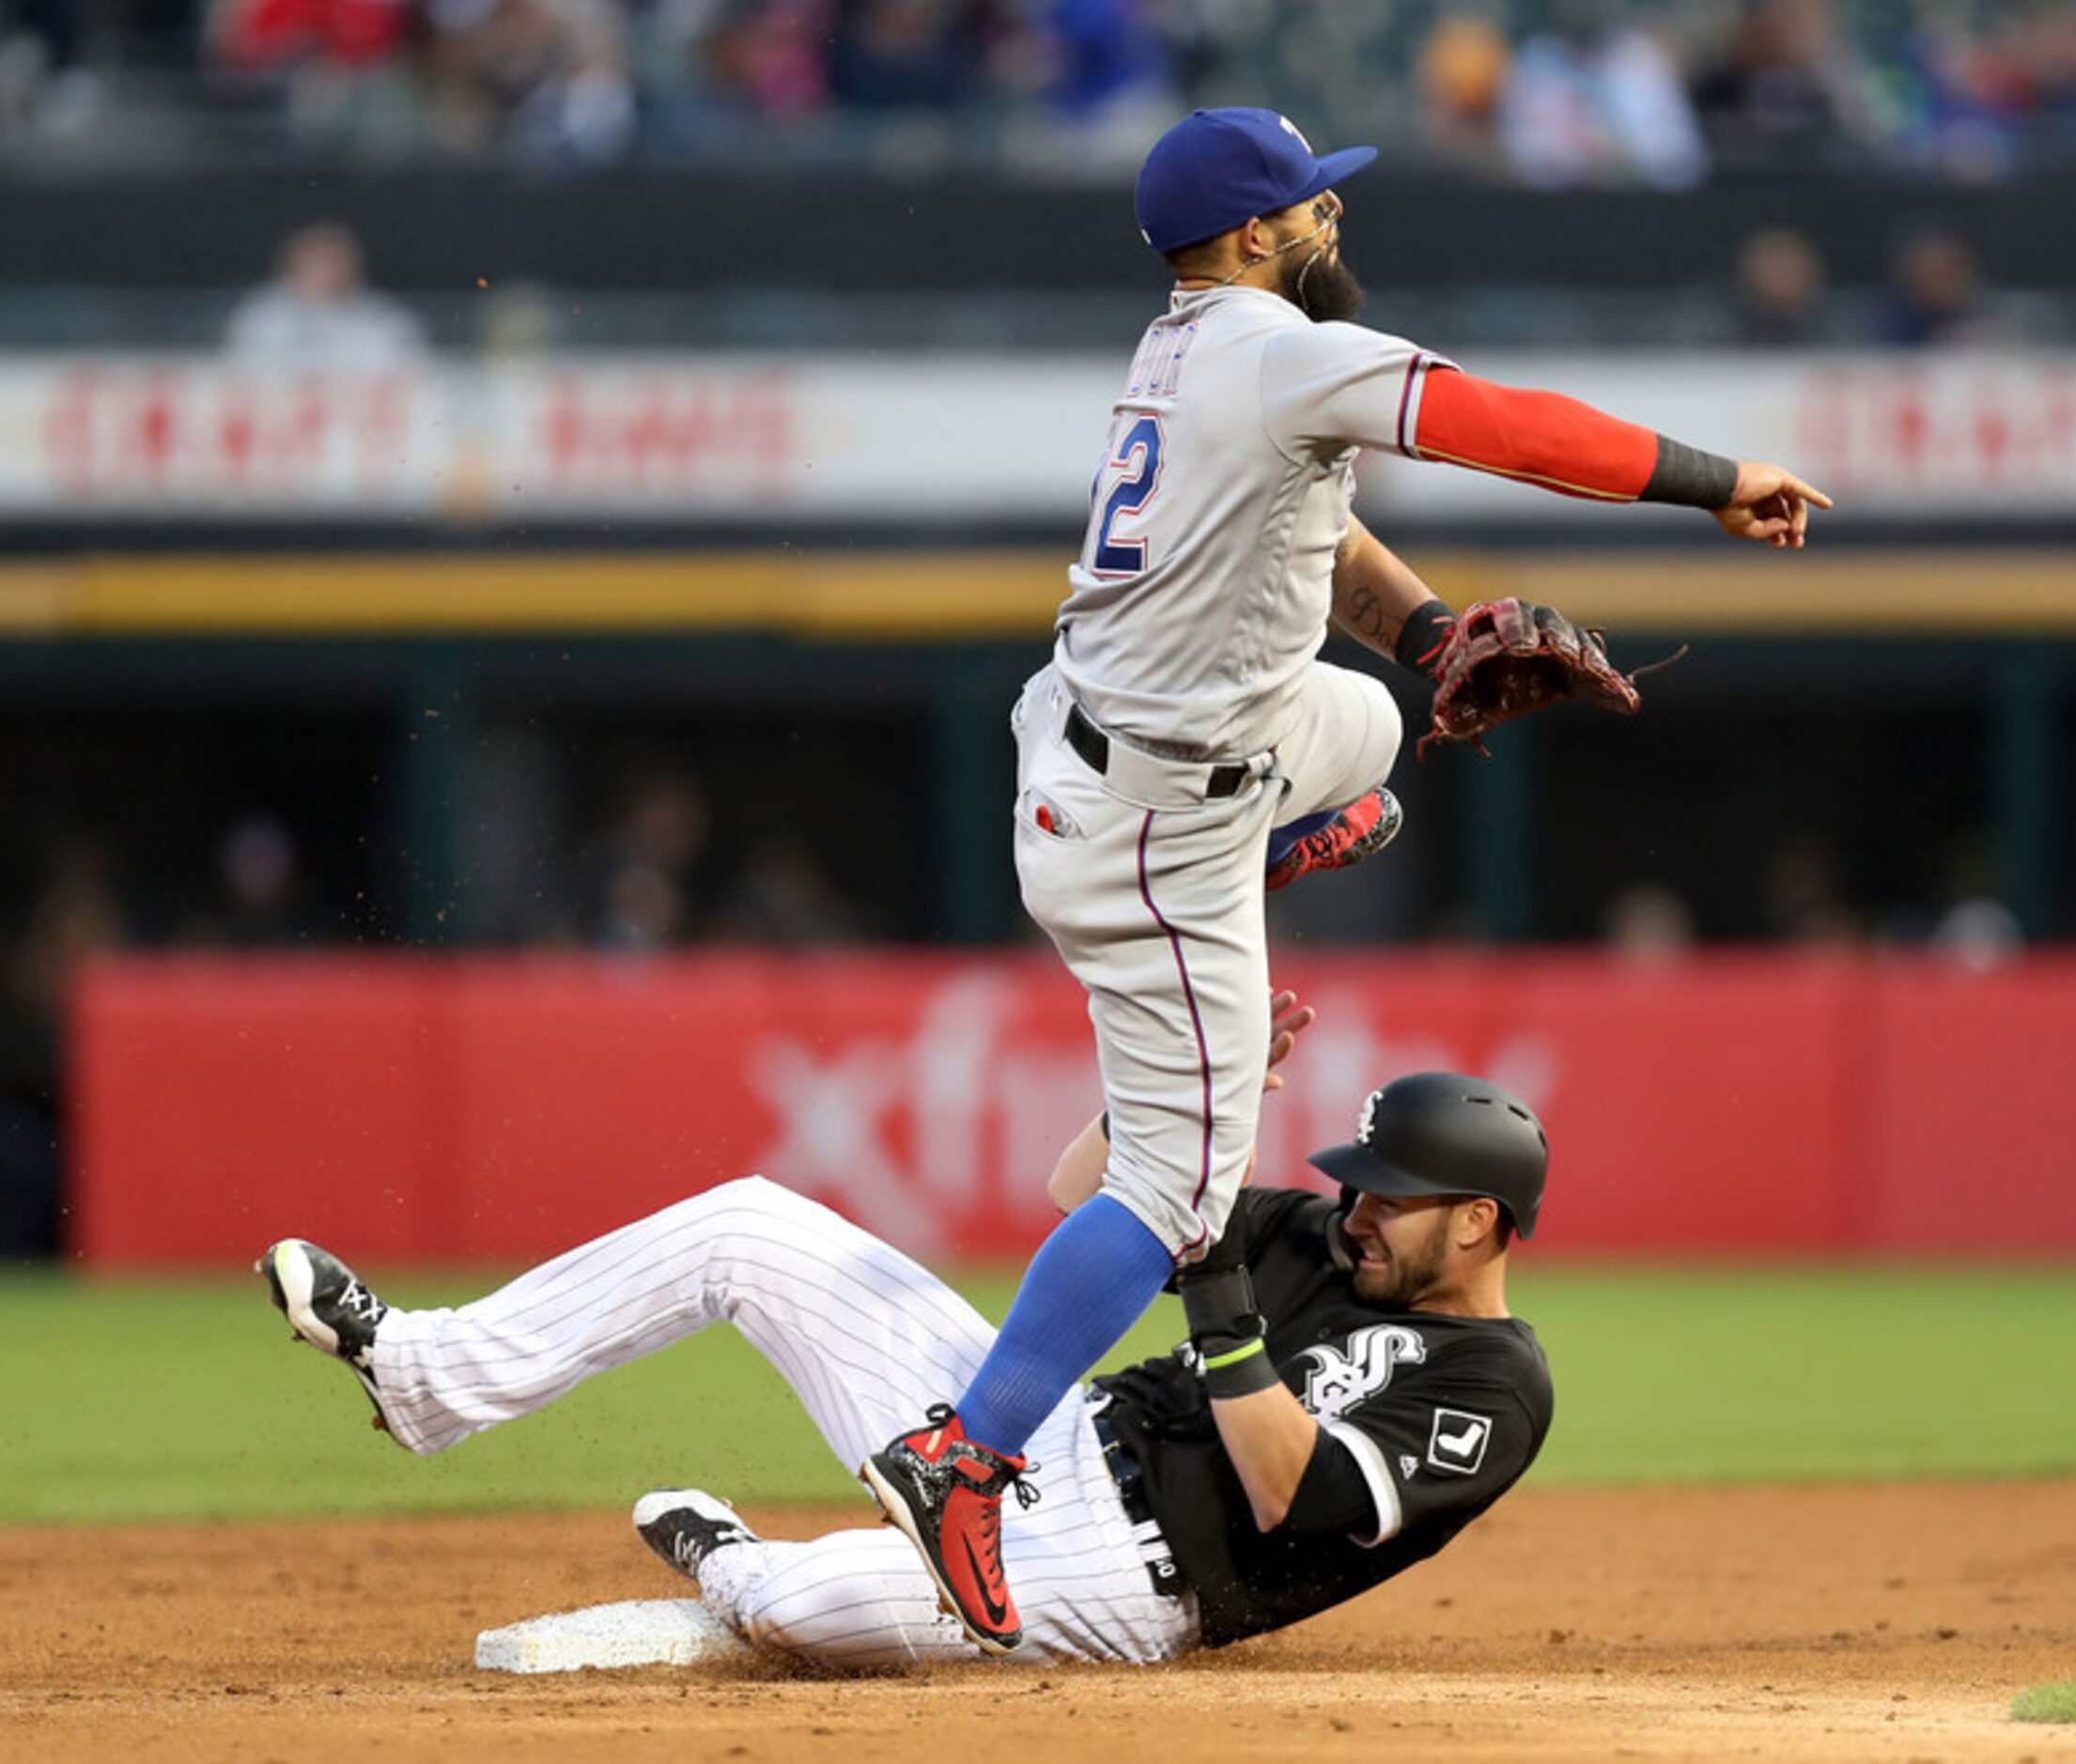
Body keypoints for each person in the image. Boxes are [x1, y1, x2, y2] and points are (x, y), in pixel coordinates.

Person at [845, 103, 1822, 1657]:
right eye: (1307, 206)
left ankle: (1293, 820)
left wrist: (1434, 636)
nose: (1328, 224)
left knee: (1370, 717)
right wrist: (1709, 479)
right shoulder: (1276, 351)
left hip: (1116, 738)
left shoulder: (1189, 350)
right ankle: (966, 1455)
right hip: (1151, 824)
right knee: (1168, 1183)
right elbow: (1503, 421)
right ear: (1247, 238)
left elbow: (1326, 528)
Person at [256, 1001, 1557, 1670]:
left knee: (813, 1612)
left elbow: (1291, 1493)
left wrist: (1213, 1273)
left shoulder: (1495, 1384)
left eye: (1395, 1192)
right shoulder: (1324, 1238)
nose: (1359, 1204)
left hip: (1125, 1587)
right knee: (749, 1223)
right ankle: (428, 1372)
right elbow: (1076, 1191)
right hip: (1027, 1435)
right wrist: (1177, 1107)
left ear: (1484, 1222)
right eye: (1359, 1176)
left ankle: (725, 1557)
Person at [223, 223, 427, 370]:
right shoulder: (262, 315)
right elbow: (244, 369)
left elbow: (408, 370)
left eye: (334, 262)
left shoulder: (384, 318)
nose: (326, 272)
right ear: (290, 266)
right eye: (315, 262)